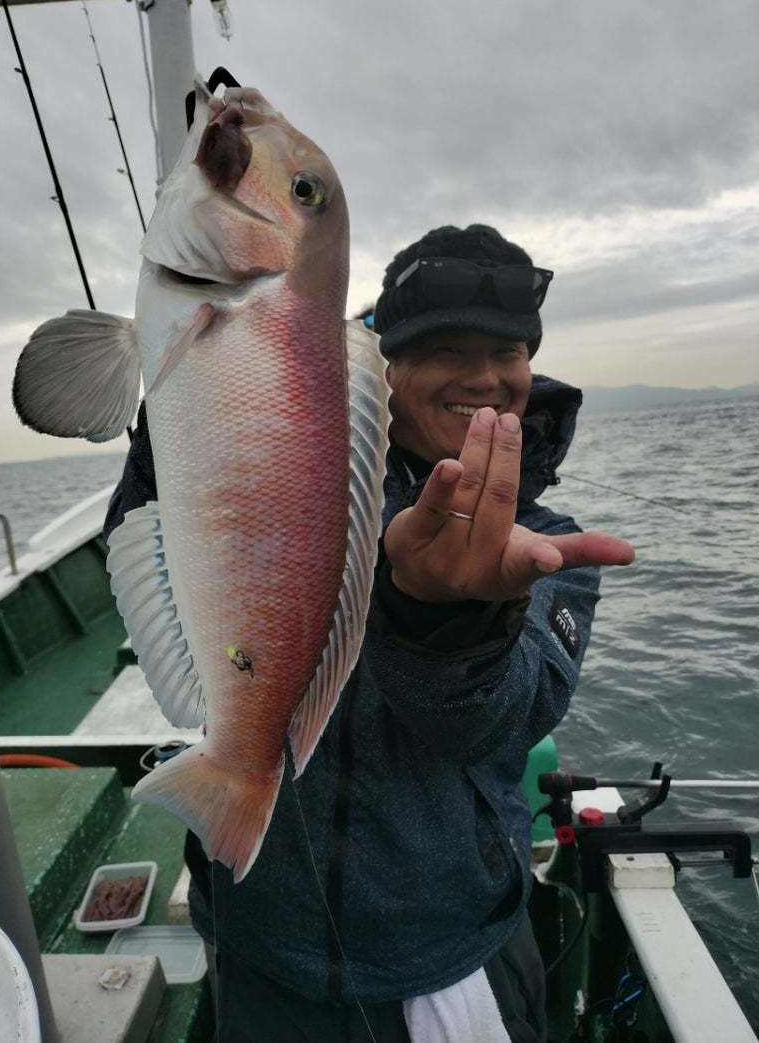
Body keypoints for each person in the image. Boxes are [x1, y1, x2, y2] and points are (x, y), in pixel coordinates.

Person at [104, 223, 634, 1042]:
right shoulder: (285, 470)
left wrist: (451, 619)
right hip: (259, 939)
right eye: (447, 349)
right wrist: (184, 399)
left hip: (449, 954)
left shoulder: (544, 545)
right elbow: (158, 546)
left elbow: (498, 722)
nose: (486, 376)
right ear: (385, 364)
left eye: (508, 351)